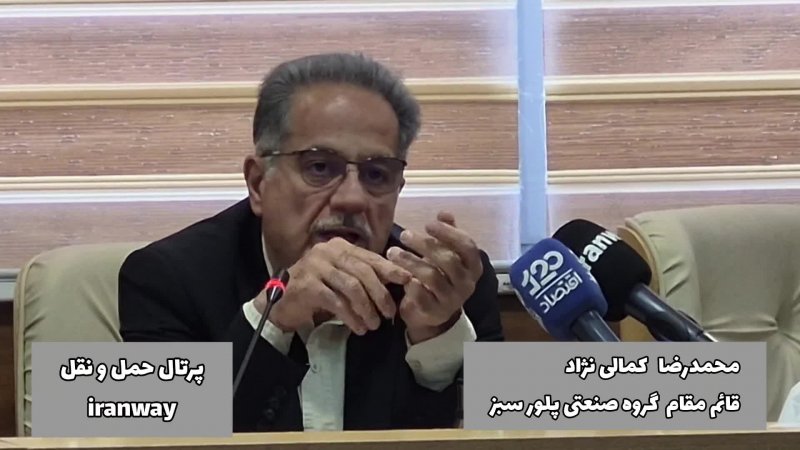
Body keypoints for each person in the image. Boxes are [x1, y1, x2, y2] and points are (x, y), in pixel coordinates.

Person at [118, 52, 504, 432]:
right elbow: (160, 428)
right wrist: (273, 319)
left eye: (376, 174)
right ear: (258, 184)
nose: (352, 198)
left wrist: (435, 338)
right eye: (319, 167)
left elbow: (504, 426)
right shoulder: (166, 279)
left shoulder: (450, 289)